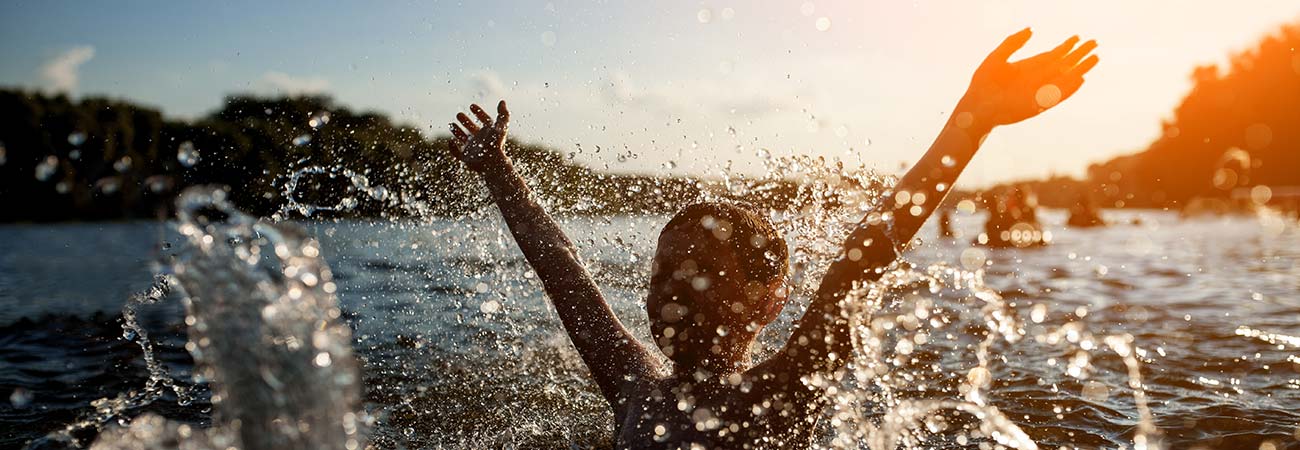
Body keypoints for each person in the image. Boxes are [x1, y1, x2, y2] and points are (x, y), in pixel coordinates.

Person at [445, 28, 1097, 449]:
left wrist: (971, 122)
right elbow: (563, 270)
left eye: (699, 272)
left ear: (769, 300)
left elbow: (865, 257)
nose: (672, 290)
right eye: (663, 274)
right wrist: (500, 173)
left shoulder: (782, 392)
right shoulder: (633, 386)